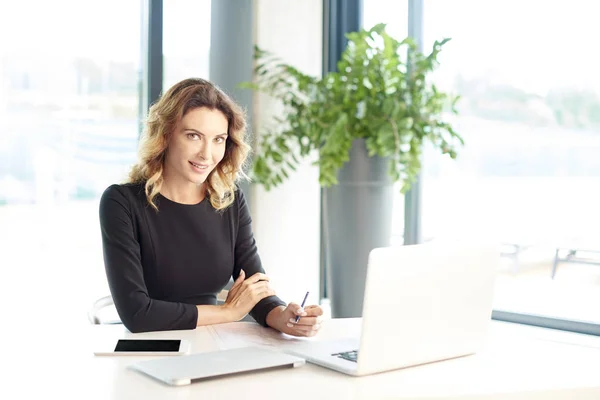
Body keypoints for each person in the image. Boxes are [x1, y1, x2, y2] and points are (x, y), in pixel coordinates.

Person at [99, 77, 323, 334]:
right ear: (165, 135)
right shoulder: (121, 202)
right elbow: (138, 314)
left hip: (212, 341)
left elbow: (254, 286)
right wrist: (228, 312)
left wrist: (283, 317)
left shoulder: (228, 200)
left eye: (218, 139)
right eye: (194, 136)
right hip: (153, 348)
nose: (207, 154)